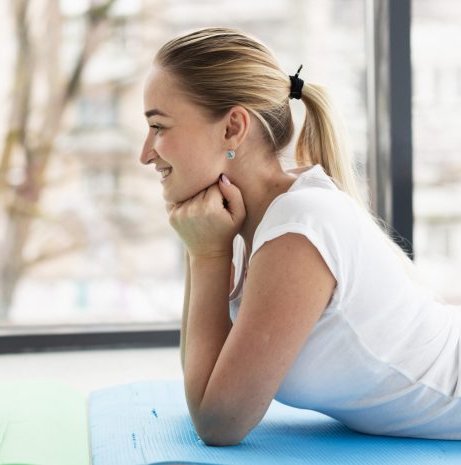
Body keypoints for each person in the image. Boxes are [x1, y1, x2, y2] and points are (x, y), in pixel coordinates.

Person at [140, 28, 460, 445]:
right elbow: (203, 386)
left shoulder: (299, 226)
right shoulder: (233, 219)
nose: (145, 152)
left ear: (232, 128)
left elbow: (219, 422)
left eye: (159, 127)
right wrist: (202, 249)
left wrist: (206, 257)